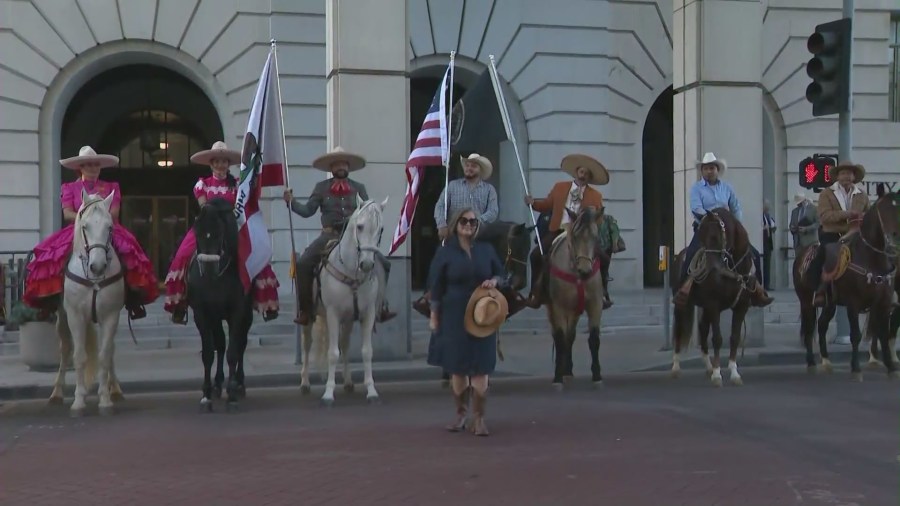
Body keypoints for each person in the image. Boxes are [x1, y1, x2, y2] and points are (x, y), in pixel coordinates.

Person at [23, 146, 158, 318]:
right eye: (88, 165)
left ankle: (133, 298)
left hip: (108, 227)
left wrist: (100, 219)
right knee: (54, 257)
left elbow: (114, 213)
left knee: (129, 253)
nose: (93, 168)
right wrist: (85, 217)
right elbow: (67, 213)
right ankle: (51, 299)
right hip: (80, 228)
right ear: (80, 167)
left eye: (96, 165)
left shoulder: (111, 187)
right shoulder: (69, 187)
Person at [164, 141, 280, 324]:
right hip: (208, 226)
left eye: (224, 161)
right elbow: (204, 207)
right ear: (211, 163)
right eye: (216, 161)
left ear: (228, 164)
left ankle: (264, 300)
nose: (220, 165)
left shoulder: (237, 184)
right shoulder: (203, 184)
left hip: (232, 227)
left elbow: (242, 206)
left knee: (256, 254)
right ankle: (180, 302)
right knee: (182, 255)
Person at [283, 147, 396, 326]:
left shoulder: (359, 188)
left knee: (384, 263)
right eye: (337, 163)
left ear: (348, 166)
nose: (340, 166)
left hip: (353, 237)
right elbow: (307, 211)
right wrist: (292, 202)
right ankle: (305, 310)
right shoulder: (321, 188)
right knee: (303, 264)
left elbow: (366, 213)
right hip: (329, 235)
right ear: (331, 167)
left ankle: (381, 306)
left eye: (344, 163)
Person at [428, 207, 508, 437]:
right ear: (455, 224)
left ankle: (479, 418)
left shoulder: (486, 249)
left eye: (473, 222)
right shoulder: (445, 252)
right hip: (454, 313)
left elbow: (501, 274)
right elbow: (436, 285)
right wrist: (435, 315)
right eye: (464, 221)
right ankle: (461, 415)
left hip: (482, 313)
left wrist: (494, 281)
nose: (469, 225)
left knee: (481, 367)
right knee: (458, 368)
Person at [675, 152, 774, 307]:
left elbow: (736, 207)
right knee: (691, 254)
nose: (709, 171)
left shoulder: (727, 188)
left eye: (712, 168)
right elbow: (696, 208)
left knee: (753, 254)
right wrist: (715, 217)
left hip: (727, 229)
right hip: (706, 228)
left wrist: (735, 224)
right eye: (706, 168)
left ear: (717, 169)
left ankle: (758, 290)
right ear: (702, 170)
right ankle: (683, 289)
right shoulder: (696, 189)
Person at [523, 153, 609, 309]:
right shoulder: (560, 187)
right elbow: (547, 205)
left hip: (582, 234)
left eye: (587, 174)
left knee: (603, 258)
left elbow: (599, 220)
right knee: (536, 256)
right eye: (582, 172)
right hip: (559, 230)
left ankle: (602, 294)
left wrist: (592, 220)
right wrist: (533, 203)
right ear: (576, 172)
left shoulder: (596, 196)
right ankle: (535, 293)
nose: (583, 176)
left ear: (589, 178)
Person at [806, 161, 869, 306]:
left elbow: (868, 213)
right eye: (843, 173)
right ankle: (820, 290)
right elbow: (824, 216)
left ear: (854, 177)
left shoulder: (862, 195)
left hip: (856, 234)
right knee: (826, 253)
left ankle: (879, 286)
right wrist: (848, 214)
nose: (846, 176)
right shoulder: (826, 194)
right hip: (832, 233)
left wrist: (865, 217)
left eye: (849, 173)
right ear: (838, 177)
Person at [434, 153, 499, 241]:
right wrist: (441, 225)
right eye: (467, 165)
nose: (469, 168)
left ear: (480, 170)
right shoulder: (452, 186)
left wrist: (474, 222)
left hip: (479, 236)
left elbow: (493, 211)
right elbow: (440, 206)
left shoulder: (489, 189)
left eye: (473, 166)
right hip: (454, 235)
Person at [789, 191, 819, 255]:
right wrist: (793, 228)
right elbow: (791, 224)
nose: (798, 204)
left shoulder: (814, 209)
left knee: (809, 261)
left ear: (804, 200)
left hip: (810, 241)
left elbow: (818, 223)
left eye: (800, 203)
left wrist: (807, 228)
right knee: (799, 262)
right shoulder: (794, 211)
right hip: (798, 242)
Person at [762, 200, 776, 290]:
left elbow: (772, 224)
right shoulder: (758, 215)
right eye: (767, 205)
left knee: (767, 265)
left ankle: (767, 285)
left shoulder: (767, 215)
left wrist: (772, 227)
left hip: (768, 242)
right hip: (760, 242)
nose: (768, 207)